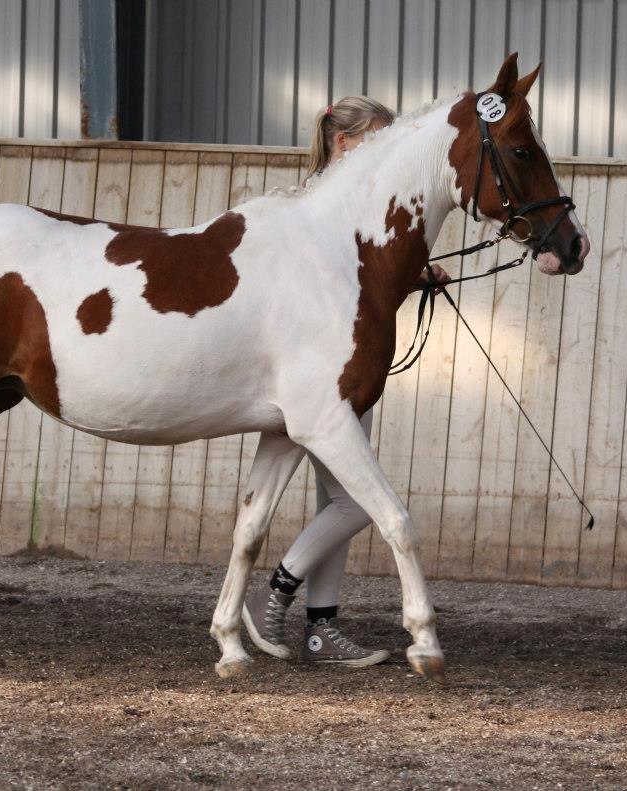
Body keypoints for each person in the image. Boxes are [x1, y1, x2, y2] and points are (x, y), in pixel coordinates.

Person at [242, 96, 450, 667]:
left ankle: (319, 627)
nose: (385, 152)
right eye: (375, 139)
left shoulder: (356, 202)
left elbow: (363, 283)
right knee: (357, 501)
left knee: (337, 501)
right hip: (318, 373)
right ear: (344, 140)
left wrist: (412, 273)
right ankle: (275, 593)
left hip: (345, 366)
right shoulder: (317, 205)